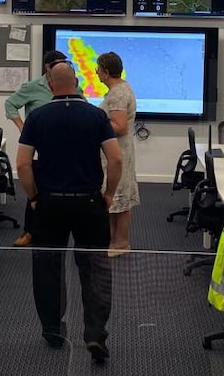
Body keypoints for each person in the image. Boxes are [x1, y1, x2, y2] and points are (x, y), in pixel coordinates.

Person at [15, 62, 121, 363]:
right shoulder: (96, 115)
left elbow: (22, 164)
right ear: (76, 83)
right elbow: (115, 159)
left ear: (50, 85)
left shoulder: (37, 116)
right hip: (89, 202)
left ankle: (52, 330)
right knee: (95, 269)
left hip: (50, 203)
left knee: (48, 267)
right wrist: (109, 194)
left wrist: (34, 197)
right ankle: (96, 334)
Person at [4, 50, 71, 247]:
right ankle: (29, 231)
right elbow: (10, 104)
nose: (60, 67)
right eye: (56, 64)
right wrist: (22, 127)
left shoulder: (71, 84)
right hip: (40, 144)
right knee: (37, 185)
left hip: (65, 142)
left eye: (63, 63)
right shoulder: (33, 87)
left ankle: (62, 228)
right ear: (47, 67)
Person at [96, 52, 140, 257]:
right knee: (115, 199)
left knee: (120, 199)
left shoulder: (118, 94)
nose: (96, 72)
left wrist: (94, 126)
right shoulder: (120, 88)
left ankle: (121, 243)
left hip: (117, 152)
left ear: (105, 72)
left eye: (98, 69)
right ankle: (114, 240)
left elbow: (119, 126)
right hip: (117, 151)